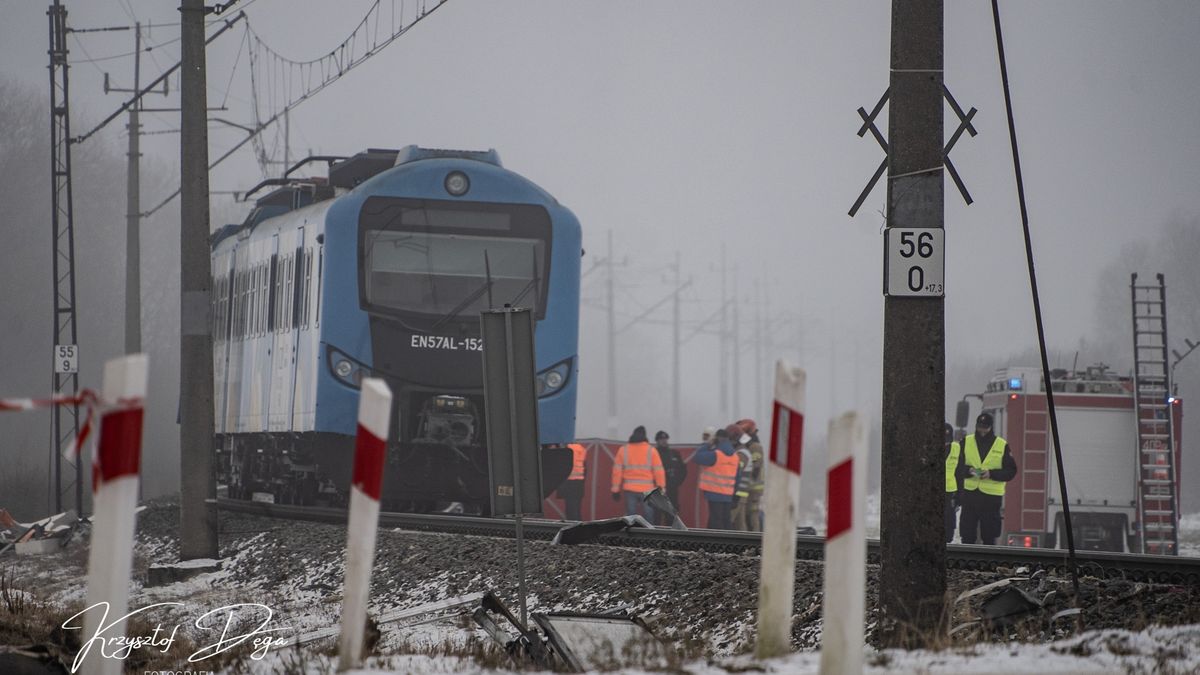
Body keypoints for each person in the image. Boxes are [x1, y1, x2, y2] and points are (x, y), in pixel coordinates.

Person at [956, 412, 1017, 545]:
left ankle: (988, 562)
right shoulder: (966, 442)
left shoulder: (1001, 445)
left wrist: (992, 474)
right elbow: (956, 466)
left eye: (985, 427)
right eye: (980, 426)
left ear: (991, 427)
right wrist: (969, 470)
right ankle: (967, 562)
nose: (982, 430)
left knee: (989, 534)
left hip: (991, 497)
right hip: (970, 494)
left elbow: (1011, 471)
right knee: (967, 533)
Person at [610, 425, 666, 520]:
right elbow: (659, 471)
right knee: (649, 515)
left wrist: (615, 489)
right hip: (647, 489)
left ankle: (630, 534)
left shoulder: (623, 450)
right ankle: (649, 534)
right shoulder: (651, 450)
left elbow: (617, 471)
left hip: (629, 488)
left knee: (630, 517)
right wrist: (661, 488)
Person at [692, 426, 739, 529]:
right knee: (726, 520)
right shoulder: (735, 456)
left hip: (714, 493)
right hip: (728, 495)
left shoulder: (715, 455)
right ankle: (727, 543)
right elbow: (738, 478)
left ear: (717, 438)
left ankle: (716, 542)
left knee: (716, 520)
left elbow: (697, 457)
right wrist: (735, 496)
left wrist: (708, 444)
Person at [653, 430, 688, 526]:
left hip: (672, 489)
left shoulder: (674, 453)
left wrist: (676, 482)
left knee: (672, 515)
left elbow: (683, 470)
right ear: (657, 441)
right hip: (658, 490)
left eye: (665, 439)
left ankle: (670, 537)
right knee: (657, 515)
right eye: (661, 439)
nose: (664, 441)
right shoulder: (654, 453)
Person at [556, 441, 588, 521]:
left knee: (570, 510)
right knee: (577, 509)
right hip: (579, 484)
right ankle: (579, 528)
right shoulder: (582, 450)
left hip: (569, 483)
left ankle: (571, 529)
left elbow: (562, 467)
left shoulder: (567, 449)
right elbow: (585, 468)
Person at [944, 423, 961, 543]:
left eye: (948, 441)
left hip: (950, 491)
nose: (946, 444)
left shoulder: (957, 448)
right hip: (931, 492)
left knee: (949, 521)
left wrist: (960, 495)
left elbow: (960, 473)